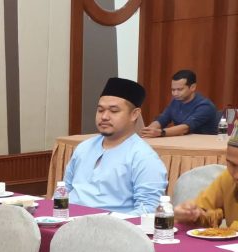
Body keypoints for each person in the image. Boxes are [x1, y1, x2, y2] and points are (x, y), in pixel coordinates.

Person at [64, 77, 167, 215]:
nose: (104, 117)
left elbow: (147, 210)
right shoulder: (84, 148)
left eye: (113, 111)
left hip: (112, 226)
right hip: (68, 222)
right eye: (100, 110)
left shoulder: (144, 158)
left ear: (134, 114)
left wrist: (111, 224)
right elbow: (64, 190)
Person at [175, 133, 238, 229]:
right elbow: (204, 212)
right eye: (232, 165)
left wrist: (231, 230)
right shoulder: (228, 178)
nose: (236, 175)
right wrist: (190, 215)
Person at [140, 69, 219, 138]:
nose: (175, 93)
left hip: (203, 145)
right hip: (183, 142)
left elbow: (185, 128)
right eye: (173, 90)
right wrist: (148, 130)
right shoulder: (176, 101)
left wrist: (161, 132)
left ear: (193, 87)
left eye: (180, 89)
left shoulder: (205, 106)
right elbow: (162, 119)